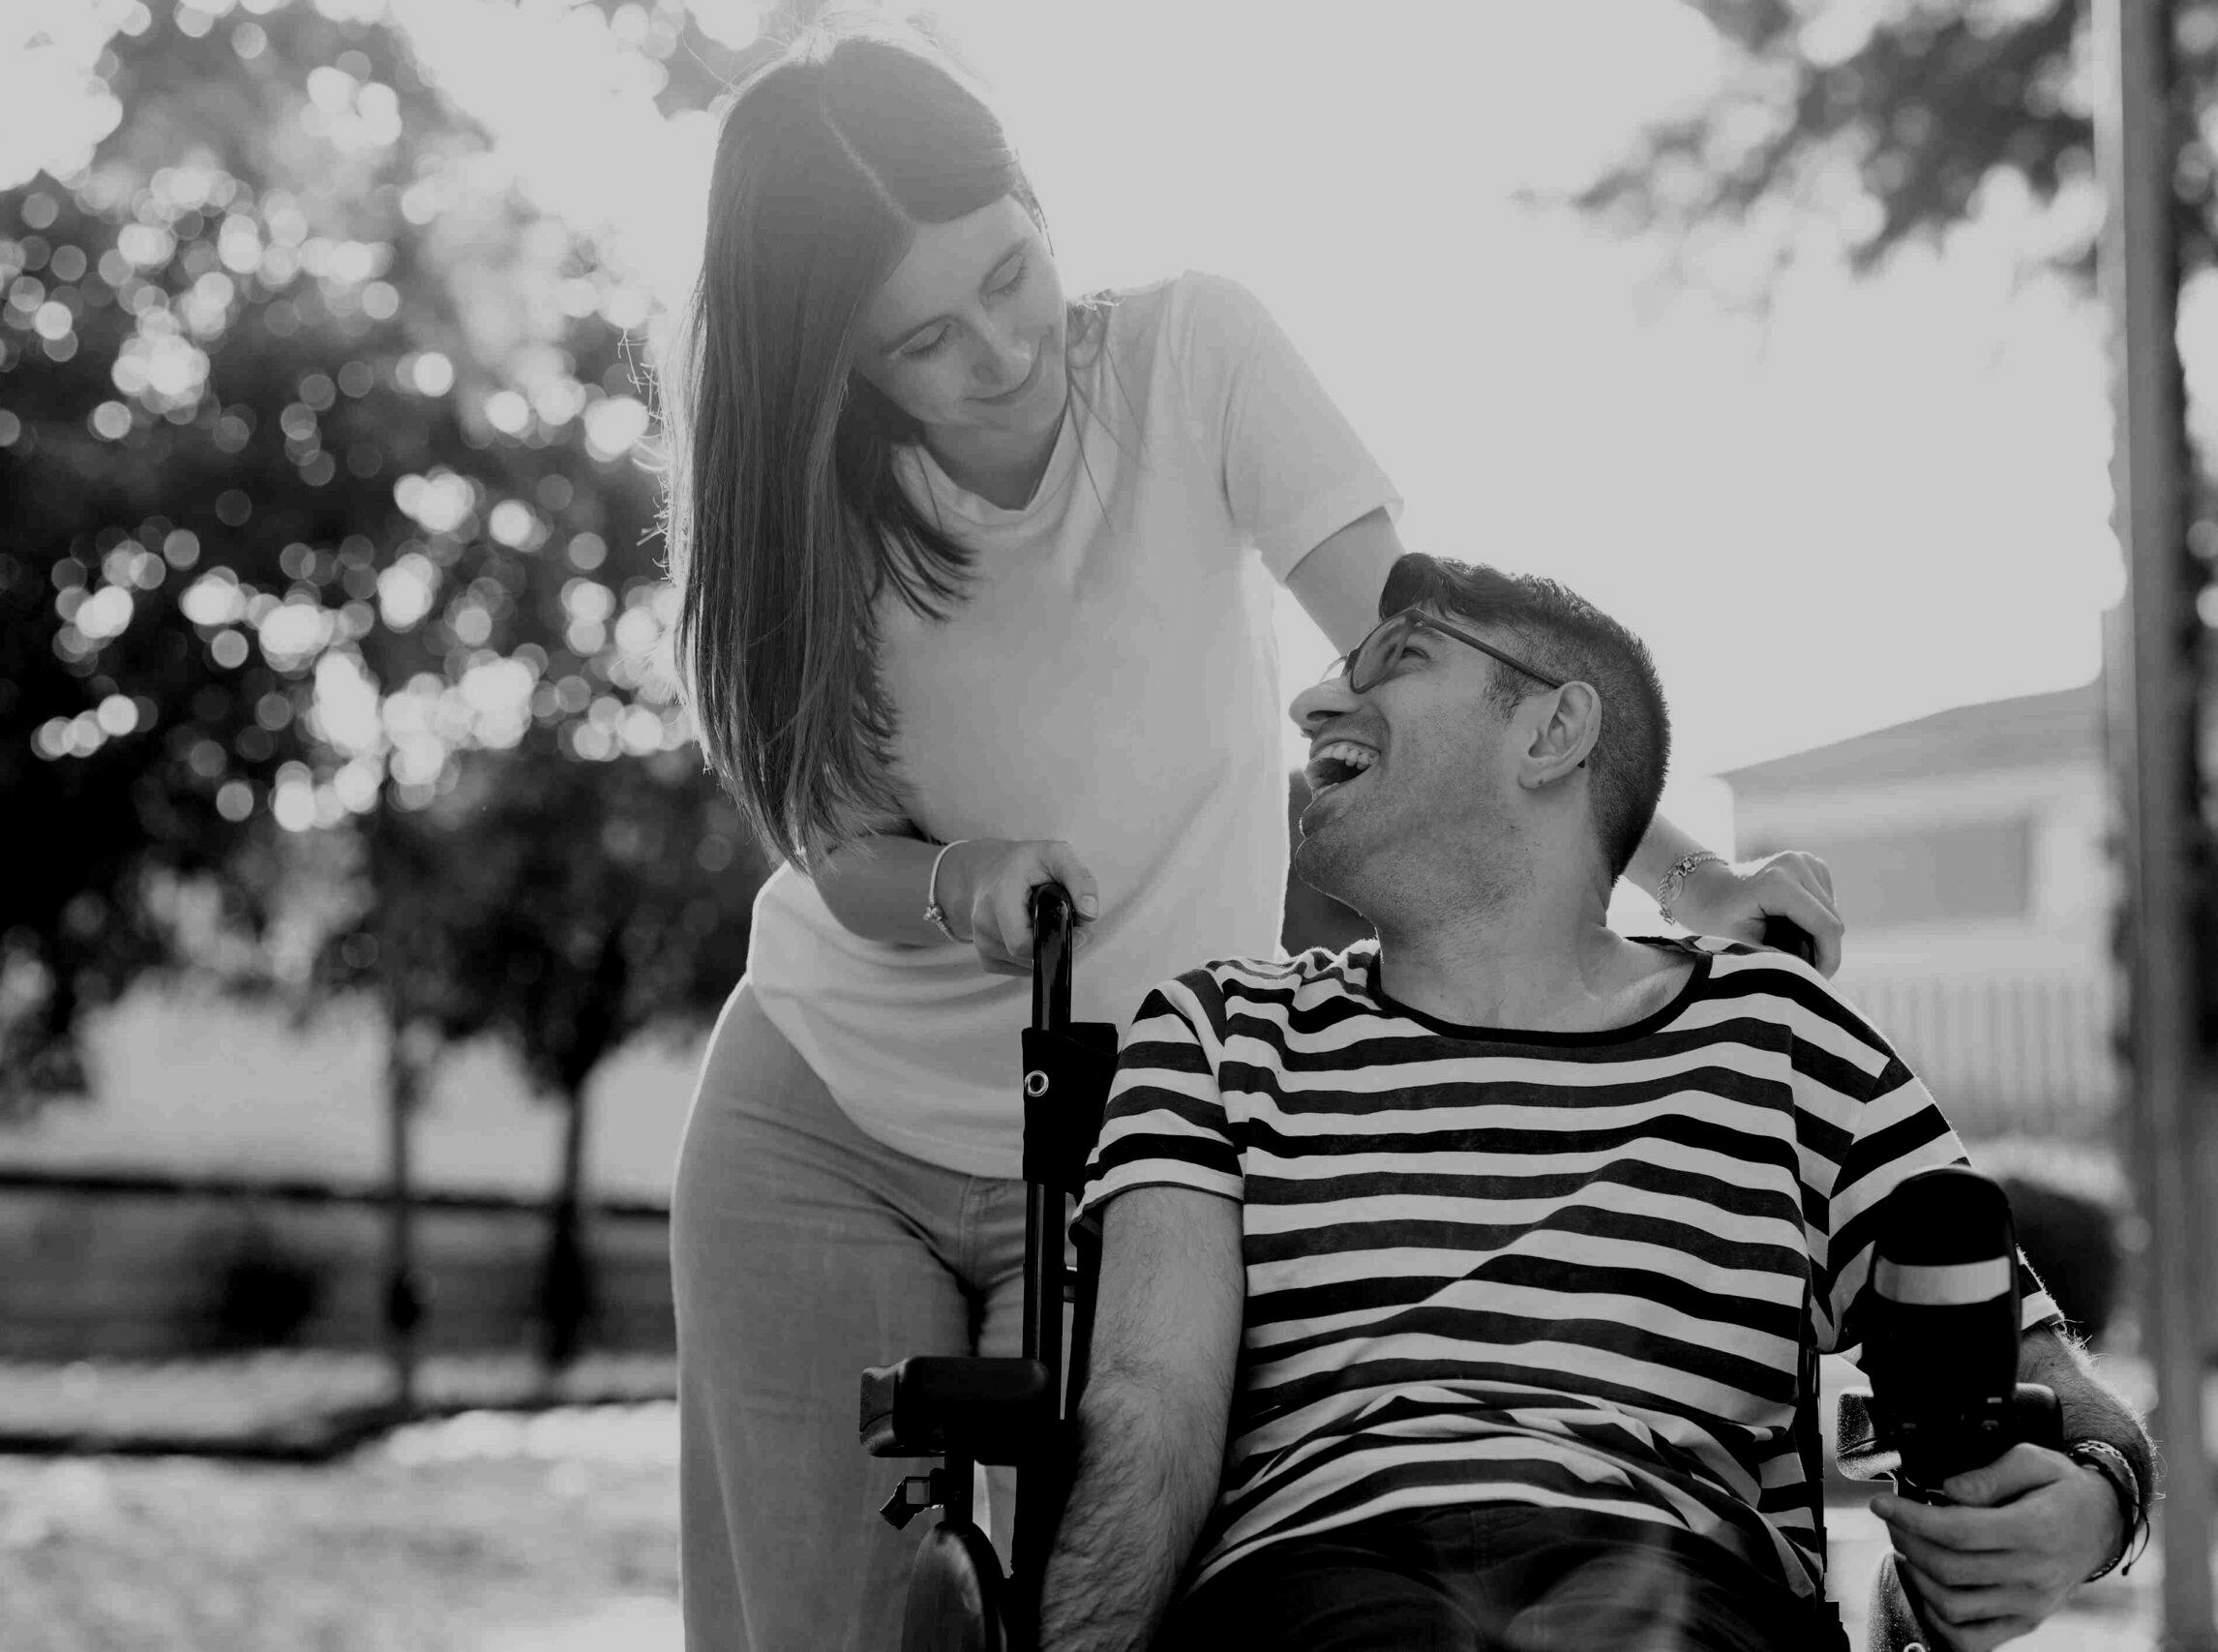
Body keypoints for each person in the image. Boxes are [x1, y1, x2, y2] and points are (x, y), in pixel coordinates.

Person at [661, 26, 1845, 1652]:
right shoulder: (808, 509)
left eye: (1010, 274)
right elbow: (832, 841)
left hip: (1112, 1145)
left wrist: (1691, 878)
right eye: (923, 339)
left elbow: (1420, 667)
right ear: (840, 366)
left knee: (1082, 1609)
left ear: (1033, 197)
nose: (999, 353)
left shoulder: (1195, 357)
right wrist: (958, 879)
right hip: (818, 1127)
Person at [1040, 556, 2157, 1652]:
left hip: (1680, 1578)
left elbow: (2045, 1377)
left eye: (1395, 660)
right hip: (1319, 1576)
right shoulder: (1215, 1032)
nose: (1313, 696)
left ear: (1552, 732)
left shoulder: (1778, 1037)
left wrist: (2089, 1507)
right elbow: (1151, 1409)